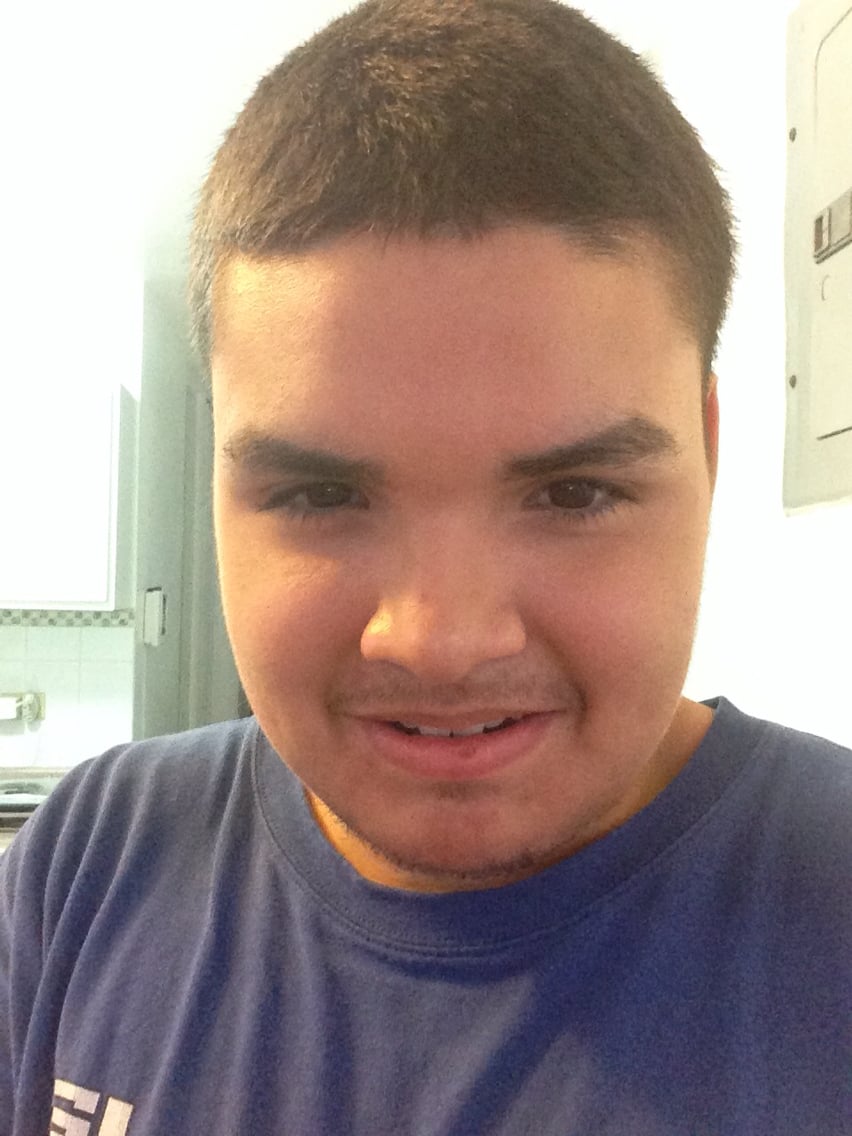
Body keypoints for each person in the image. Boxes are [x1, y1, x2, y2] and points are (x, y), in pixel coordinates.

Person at [1, 1, 850, 1132]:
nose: (441, 640)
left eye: (573, 493)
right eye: (321, 496)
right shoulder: (92, 855)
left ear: (709, 449)